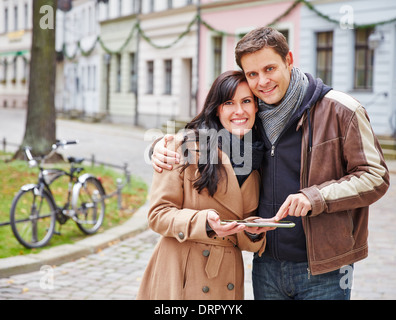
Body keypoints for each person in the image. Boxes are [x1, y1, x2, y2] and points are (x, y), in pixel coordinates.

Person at [150, 27, 390, 300]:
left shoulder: (341, 109)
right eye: (252, 74)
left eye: (270, 69)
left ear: (289, 60)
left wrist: (316, 197)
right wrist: (158, 146)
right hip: (266, 264)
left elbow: (375, 177)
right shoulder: (253, 114)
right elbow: (207, 132)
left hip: (324, 267)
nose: (262, 81)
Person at [137, 70, 275, 300]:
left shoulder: (259, 158)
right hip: (182, 274)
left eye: (246, 101)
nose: (239, 111)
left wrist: (251, 231)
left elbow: (241, 227)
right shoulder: (185, 146)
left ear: (256, 107)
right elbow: (158, 215)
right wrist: (205, 223)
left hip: (226, 277)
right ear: (216, 108)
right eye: (229, 102)